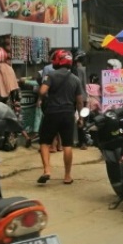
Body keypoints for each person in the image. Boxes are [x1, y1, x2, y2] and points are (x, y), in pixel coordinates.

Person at [36, 49, 84, 185]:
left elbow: (43, 91)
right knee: (67, 144)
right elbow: (79, 101)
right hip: (68, 114)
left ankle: (47, 171)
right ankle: (67, 176)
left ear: (57, 60)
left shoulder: (50, 75)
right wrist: (80, 118)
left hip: (52, 113)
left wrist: (43, 96)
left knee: (44, 142)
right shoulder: (75, 79)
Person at [72, 51, 89, 149]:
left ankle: (77, 141)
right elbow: (83, 84)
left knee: (73, 118)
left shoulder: (72, 69)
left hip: (72, 97)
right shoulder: (83, 69)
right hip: (82, 97)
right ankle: (82, 142)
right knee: (82, 119)